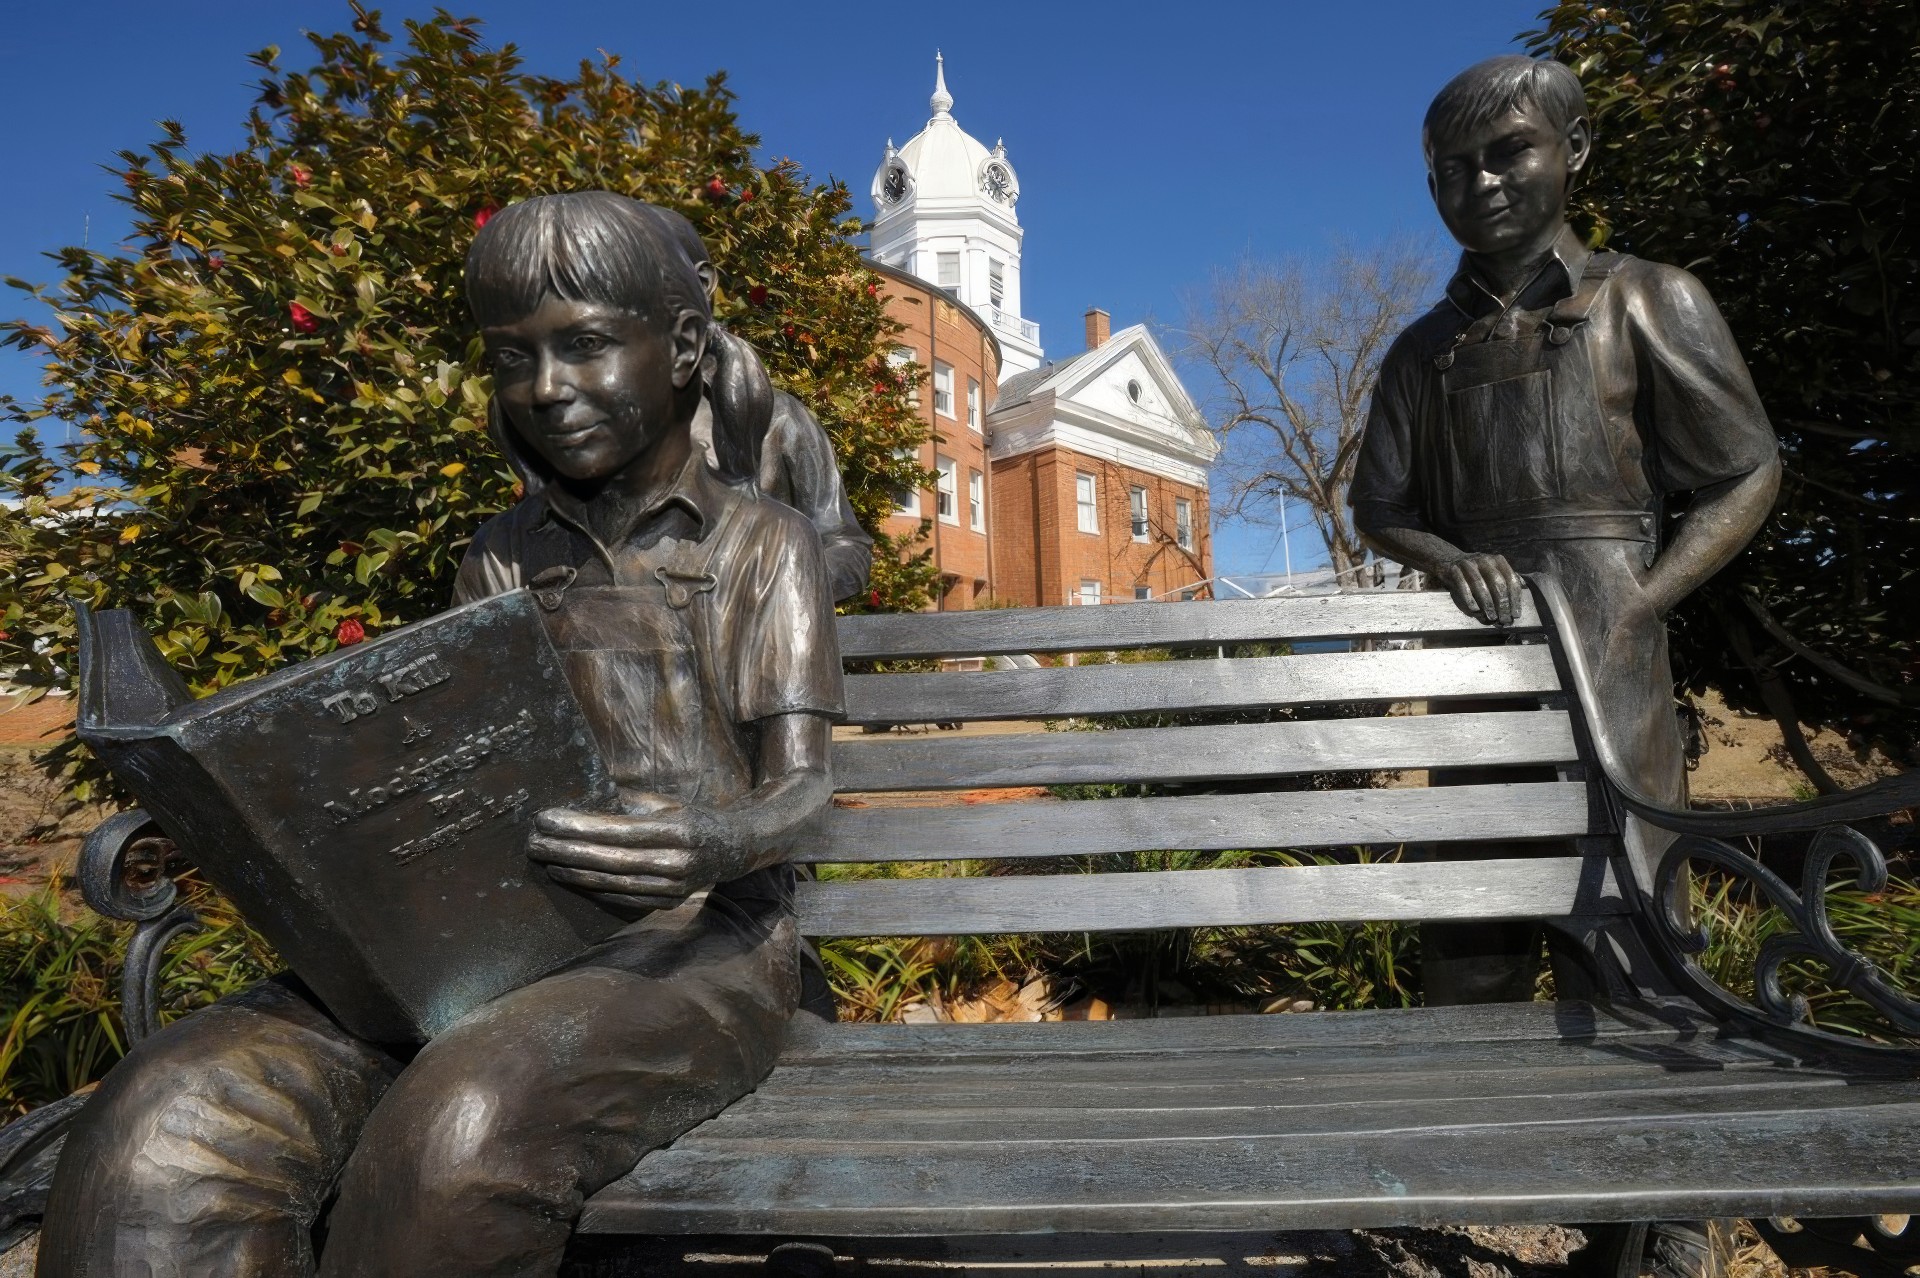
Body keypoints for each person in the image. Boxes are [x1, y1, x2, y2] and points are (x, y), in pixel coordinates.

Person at [38, 191, 844, 1277]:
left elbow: (805, 796)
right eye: (515, 360)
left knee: (458, 1132)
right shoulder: (500, 556)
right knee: (168, 1121)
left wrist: (715, 838)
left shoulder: (764, 545)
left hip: (701, 945)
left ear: (687, 347)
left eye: (588, 348)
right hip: (487, 939)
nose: (549, 391)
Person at [1349, 55, 1779, 1278]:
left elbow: (1744, 468)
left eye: (1507, 154)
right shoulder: (1421, 353)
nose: (1477, 184)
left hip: (1615, 647)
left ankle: (1665, 1214)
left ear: (1575, 154)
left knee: (1638, 918)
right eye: (1450, 169)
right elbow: (1380, 505)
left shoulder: (1650, 301)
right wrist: (1444, 553)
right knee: (1477, 930)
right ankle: (1503, 1167)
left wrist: (1647, 598)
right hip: (1483, 666)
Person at [642, 205, 874, 602]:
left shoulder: (780, 419)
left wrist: (774, 592)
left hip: (754, 648)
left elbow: (846, 545)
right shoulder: (598, 429)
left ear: (702, 284)